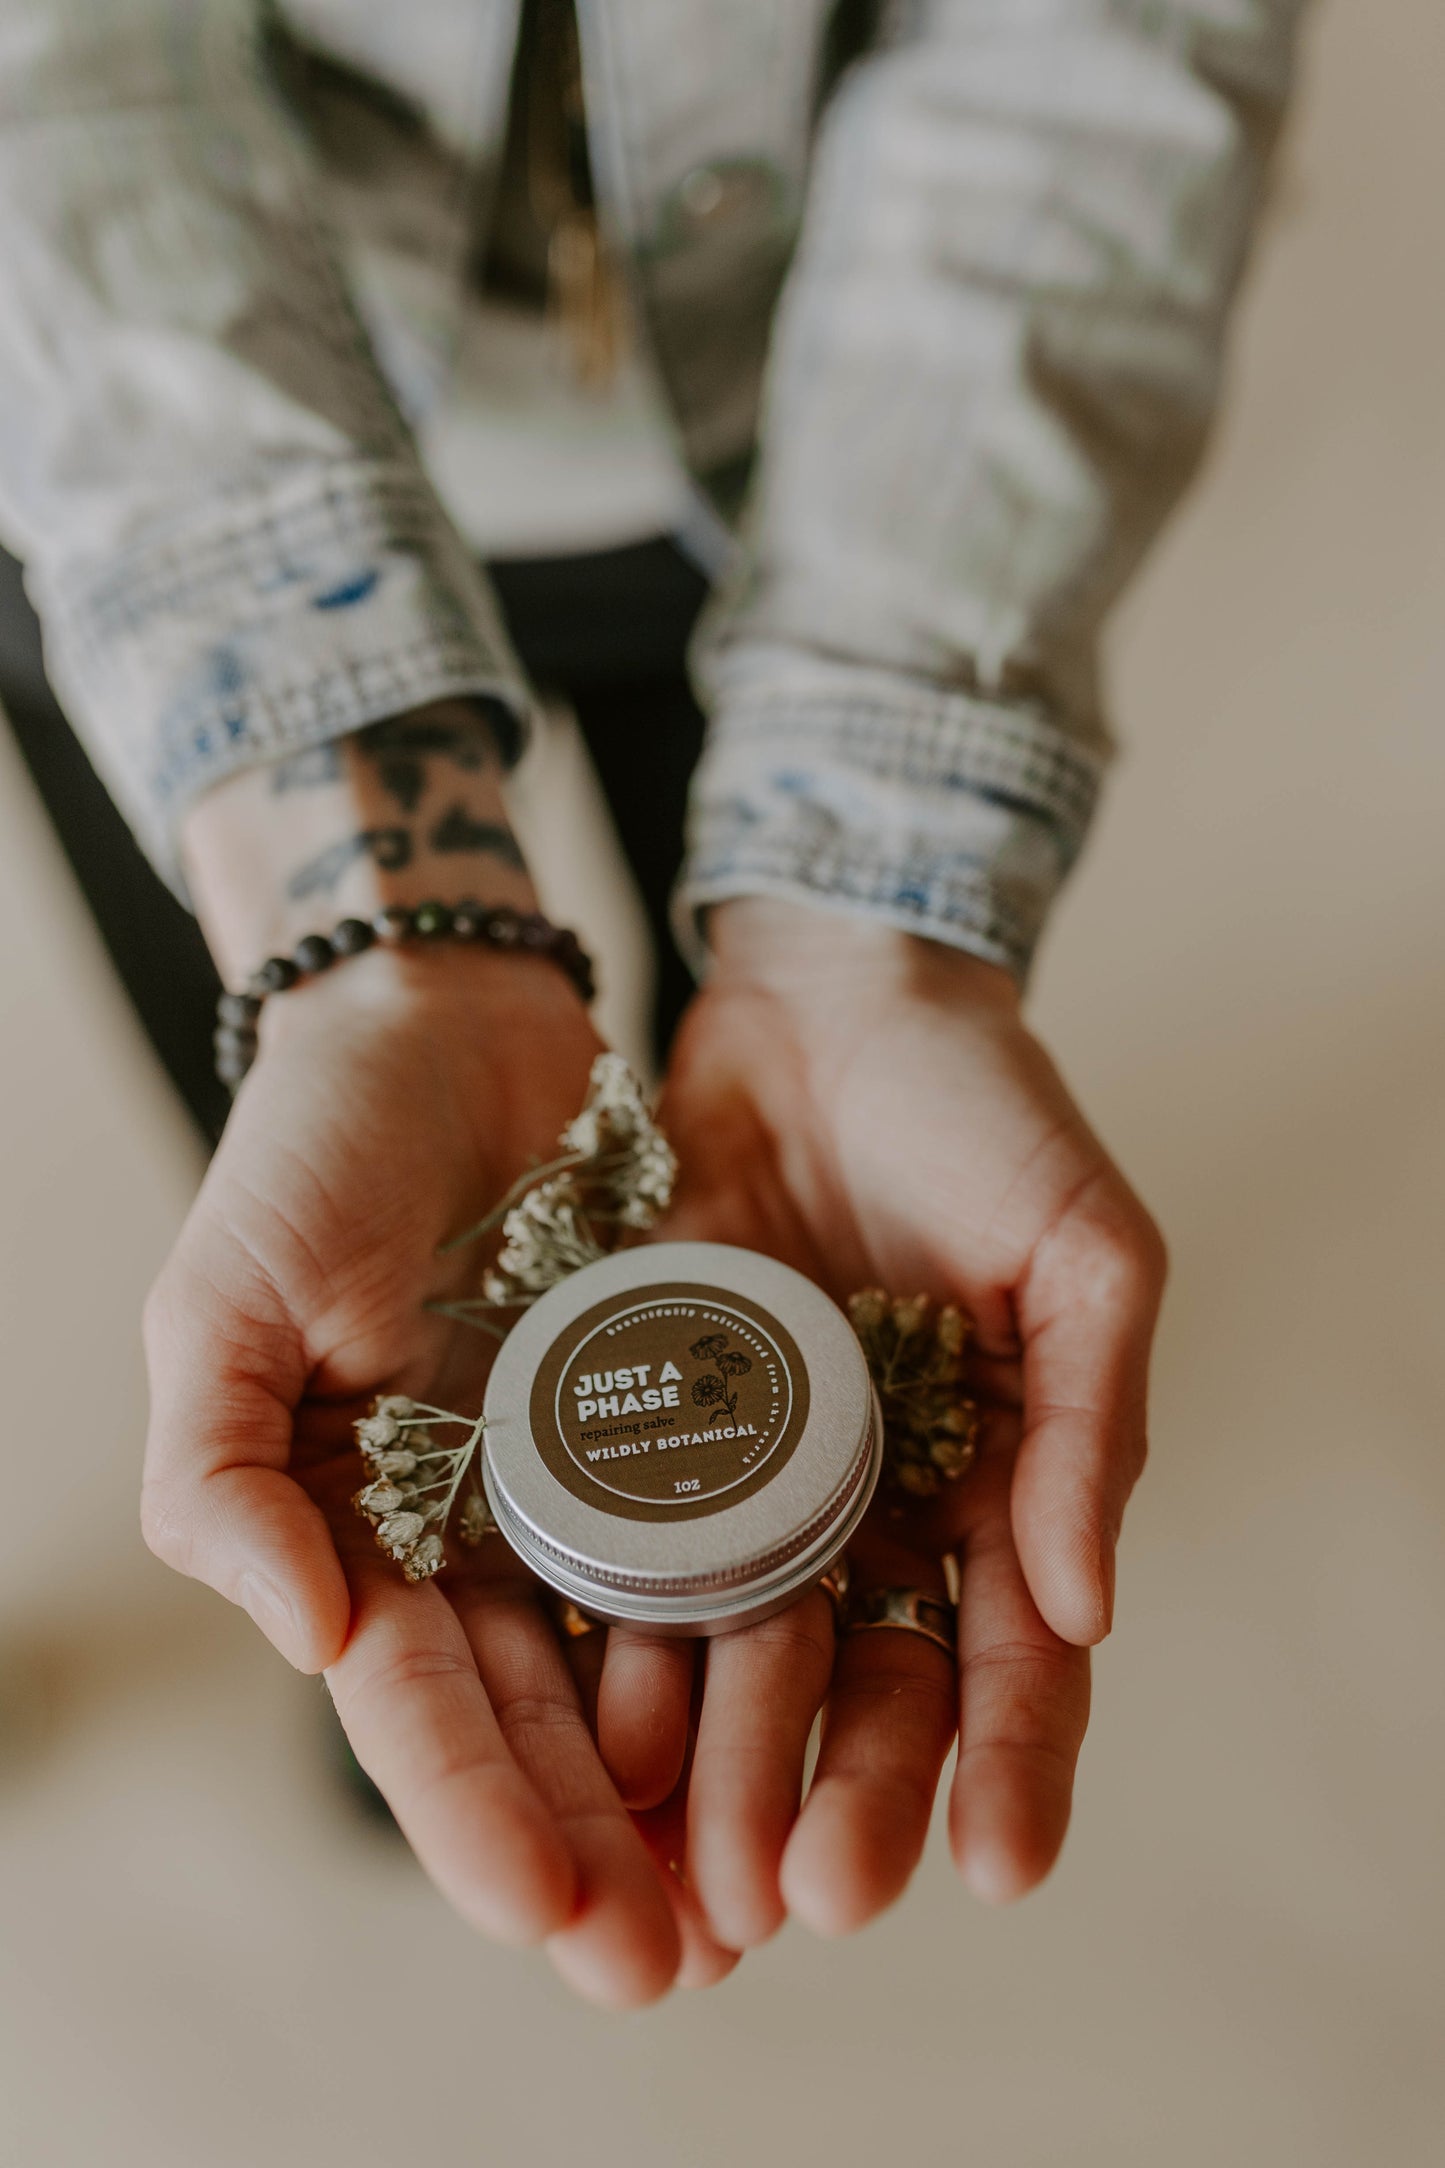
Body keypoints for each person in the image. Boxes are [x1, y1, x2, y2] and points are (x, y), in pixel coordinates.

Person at [0, 0, 1301, 2004]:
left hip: (847, 447)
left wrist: (864, 923)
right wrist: (374, 925)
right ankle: (455, 1541)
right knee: (342, 1162)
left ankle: (609, 1552)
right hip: (151, 490)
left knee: (769, 1114)